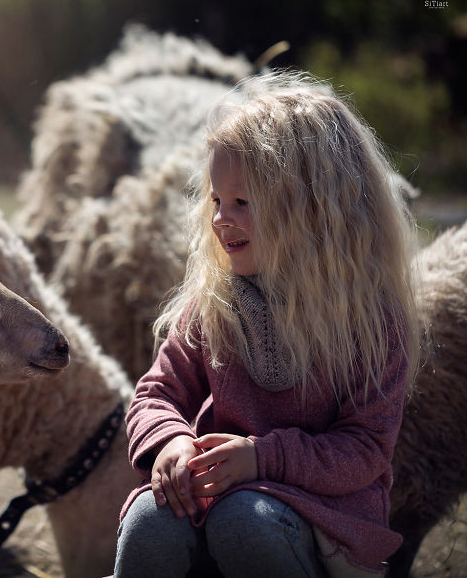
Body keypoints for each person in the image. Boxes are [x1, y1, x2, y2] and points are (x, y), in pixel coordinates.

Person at [114, 72, 421, 578]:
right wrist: (170, 440)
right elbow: (156, 394)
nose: (220, 219)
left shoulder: (370, 321)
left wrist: (262, 459)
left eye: (242, 202)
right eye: (216, 201)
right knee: (150, 521)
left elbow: (364, 449)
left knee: (245, 523)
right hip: (218, 490)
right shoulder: (215, 304)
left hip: (325, 514)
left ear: (314, 209)